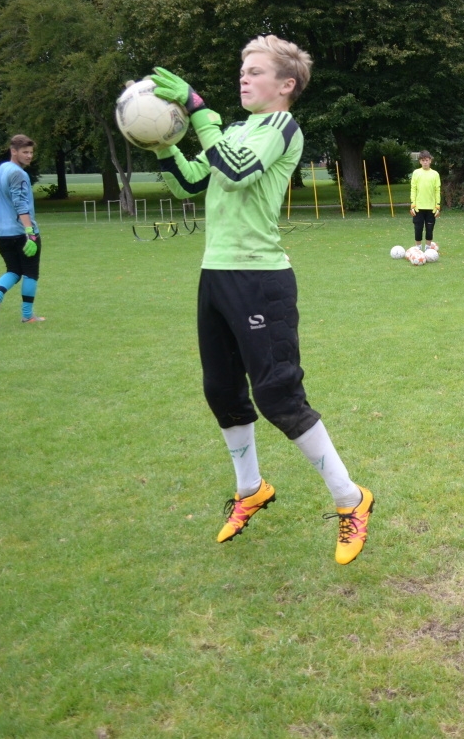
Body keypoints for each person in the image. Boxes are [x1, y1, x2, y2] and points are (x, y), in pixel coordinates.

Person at [149, 35, 373, 565]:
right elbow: (190, 183)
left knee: (278, 396)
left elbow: (236, 170)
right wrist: (162, 142)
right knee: (222, 392)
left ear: (285, 85)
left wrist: (198, 108)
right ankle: (250, 490)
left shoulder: (279, 127)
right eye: (242, 70)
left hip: (260, 280)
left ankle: (351, 499)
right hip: (215, 276)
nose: (243, 78)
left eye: (255, 71)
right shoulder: (236, 130)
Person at [0, 134, 44, 326]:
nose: (29, 156)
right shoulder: (19, 174)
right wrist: (30, 232)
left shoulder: (2, 169)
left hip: (1, 233)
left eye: (31, 152)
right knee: (30, 273)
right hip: (21, 233)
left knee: (13, 270)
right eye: (25, 152)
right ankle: (27, 315)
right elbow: (20, 204)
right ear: (13, 151)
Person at [409, 150, 441, 249]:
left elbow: (437, 190)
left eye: (427, 160)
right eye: (423, 160)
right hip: (418, 207)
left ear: (430, 161)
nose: (425, 162)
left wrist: (438, 205)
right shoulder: (416, 173)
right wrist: (413, 205)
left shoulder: (435, 174)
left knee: (430, 229)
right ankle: (418, 248)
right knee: (418, 228)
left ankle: (428, 248)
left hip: (431, 208)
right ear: (420, 161)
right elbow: (413, 189)